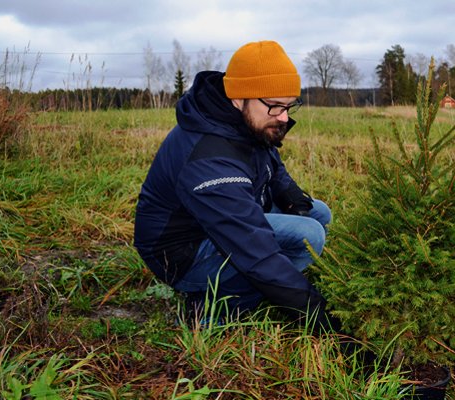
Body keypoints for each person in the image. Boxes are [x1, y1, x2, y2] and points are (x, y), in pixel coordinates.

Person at [133, 40, 336, 332]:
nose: (283, 117)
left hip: (219, 219)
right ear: (239, 98)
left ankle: (269, 287)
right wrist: (321, 319)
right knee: (309, 235)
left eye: (289, 106)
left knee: (318, 213)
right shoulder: (209, 157)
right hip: (181, 252)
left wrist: (292, 197)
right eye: (275, 106)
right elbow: (255, 250)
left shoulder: (241, 120)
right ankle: (212, 310)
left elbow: (269, 159)